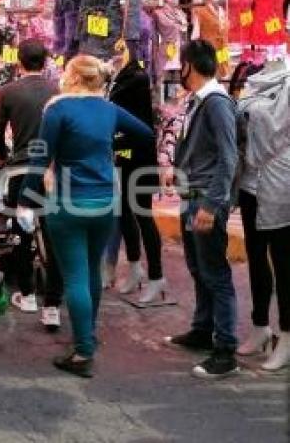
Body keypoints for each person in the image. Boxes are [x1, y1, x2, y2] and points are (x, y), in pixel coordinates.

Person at [17, 55, 154, 378]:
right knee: (90, 272)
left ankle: (82, 352)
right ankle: (87, 336)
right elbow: (145, 133)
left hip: (68, 202)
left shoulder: (59, 109)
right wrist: (109, 144)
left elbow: (40, 157)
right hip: (106, 201)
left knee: (75, 276)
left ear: (74, 77)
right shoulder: (108, 110)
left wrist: (24, 200)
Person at [163, 40, 240, 379]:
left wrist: (212, 203)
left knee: (215, 274)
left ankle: (225, 349)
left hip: (205, 199)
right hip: (191, 196)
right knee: (198, 267)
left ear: (190, 66)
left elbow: (229, 157)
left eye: (182, 65)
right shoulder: (199, 102)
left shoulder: (215, 103)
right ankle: (202, 328)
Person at [0, 39, 63, 331]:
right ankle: (53, 305)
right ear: (45, 61)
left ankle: (28, 294)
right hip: (50, 172)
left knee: (21, 233)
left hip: (20, 170)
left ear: (19, 61)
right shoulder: (57, 92)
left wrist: (5, 158)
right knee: (54, 235)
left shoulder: (9, 92)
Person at [236, 60, 290, 371]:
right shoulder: (261, 76)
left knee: (283, 263)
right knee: (255, 256)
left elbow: (272, 127)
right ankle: (260, 325)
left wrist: (249, 109)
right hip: (250, 181)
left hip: (280, 182)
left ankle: (287, 335)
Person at [106, 57, 166, 303]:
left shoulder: (135, 79)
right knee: (123, 213)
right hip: (122, 155)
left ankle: (156, 275)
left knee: (143, 214)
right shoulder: (121, 78)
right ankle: (134, 267)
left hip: (139, 156)